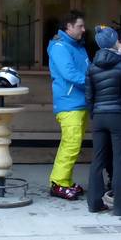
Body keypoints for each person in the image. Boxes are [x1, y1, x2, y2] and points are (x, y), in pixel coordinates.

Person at [85, 27, 121, 217]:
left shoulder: (91, 67)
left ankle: (94, 203)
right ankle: (120, 207)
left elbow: (89, 97)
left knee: (97, 160)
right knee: (120, 161)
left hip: (99, 117)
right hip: (119, 117)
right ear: (114, 42)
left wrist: (94, 115)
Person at [47, 10, 89, 200]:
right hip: (69, 102)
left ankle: (65, 181)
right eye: (80, 26)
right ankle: (58, 184)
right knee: (71, 143)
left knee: (73, 144)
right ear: (68, 27)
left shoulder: (78, 46)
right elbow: (70, 73)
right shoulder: (59, 47)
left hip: (80, 101)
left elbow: (87, 69)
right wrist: (93, 83)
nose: (83, 29)